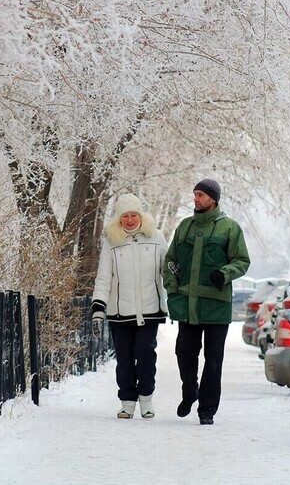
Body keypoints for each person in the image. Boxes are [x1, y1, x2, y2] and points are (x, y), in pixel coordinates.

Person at [162, 179, 250, 425]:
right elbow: (170, 262)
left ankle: (207, 409)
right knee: (184, 353)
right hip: (188, 305)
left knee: (213, 360)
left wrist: (225, 273)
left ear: (213, 198)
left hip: (216, 307)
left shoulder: (229, 229)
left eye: (200, 195)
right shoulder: (184, 227)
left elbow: (242, 260)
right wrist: (172, 288)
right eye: (194, 194)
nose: (196, 199)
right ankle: (190, 391)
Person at [91, 193, 168, 419]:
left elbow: (169, 270)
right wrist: (98, 308)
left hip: (149, 309)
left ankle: (146, 398)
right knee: (124, 357)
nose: (131, 220)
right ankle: (127, 401)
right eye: (126, 216)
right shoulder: (111, 241)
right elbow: (103, 277)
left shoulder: (156, 237)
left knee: (145, 354)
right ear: (119, 218)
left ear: (141, 216)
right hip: (119, 311)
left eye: (134, 215)